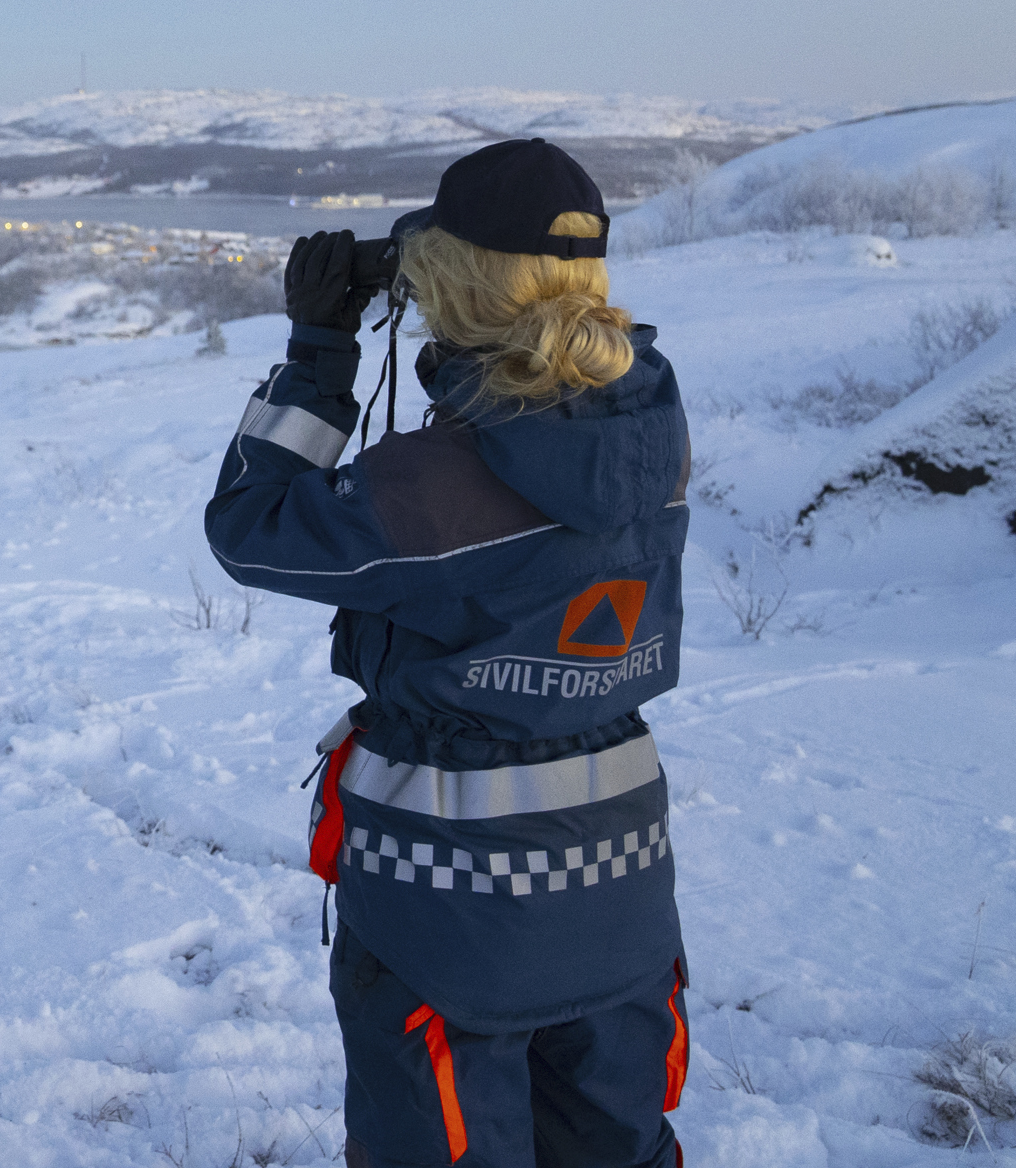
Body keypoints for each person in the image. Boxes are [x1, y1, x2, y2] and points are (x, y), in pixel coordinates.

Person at [206, 139, 691, 1168]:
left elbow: (248, 529)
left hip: (448, 916)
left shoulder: (436, 491)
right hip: (622, 890)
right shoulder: (649, 425)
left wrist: (317, 351)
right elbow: (545, 412)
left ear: (451, 282)